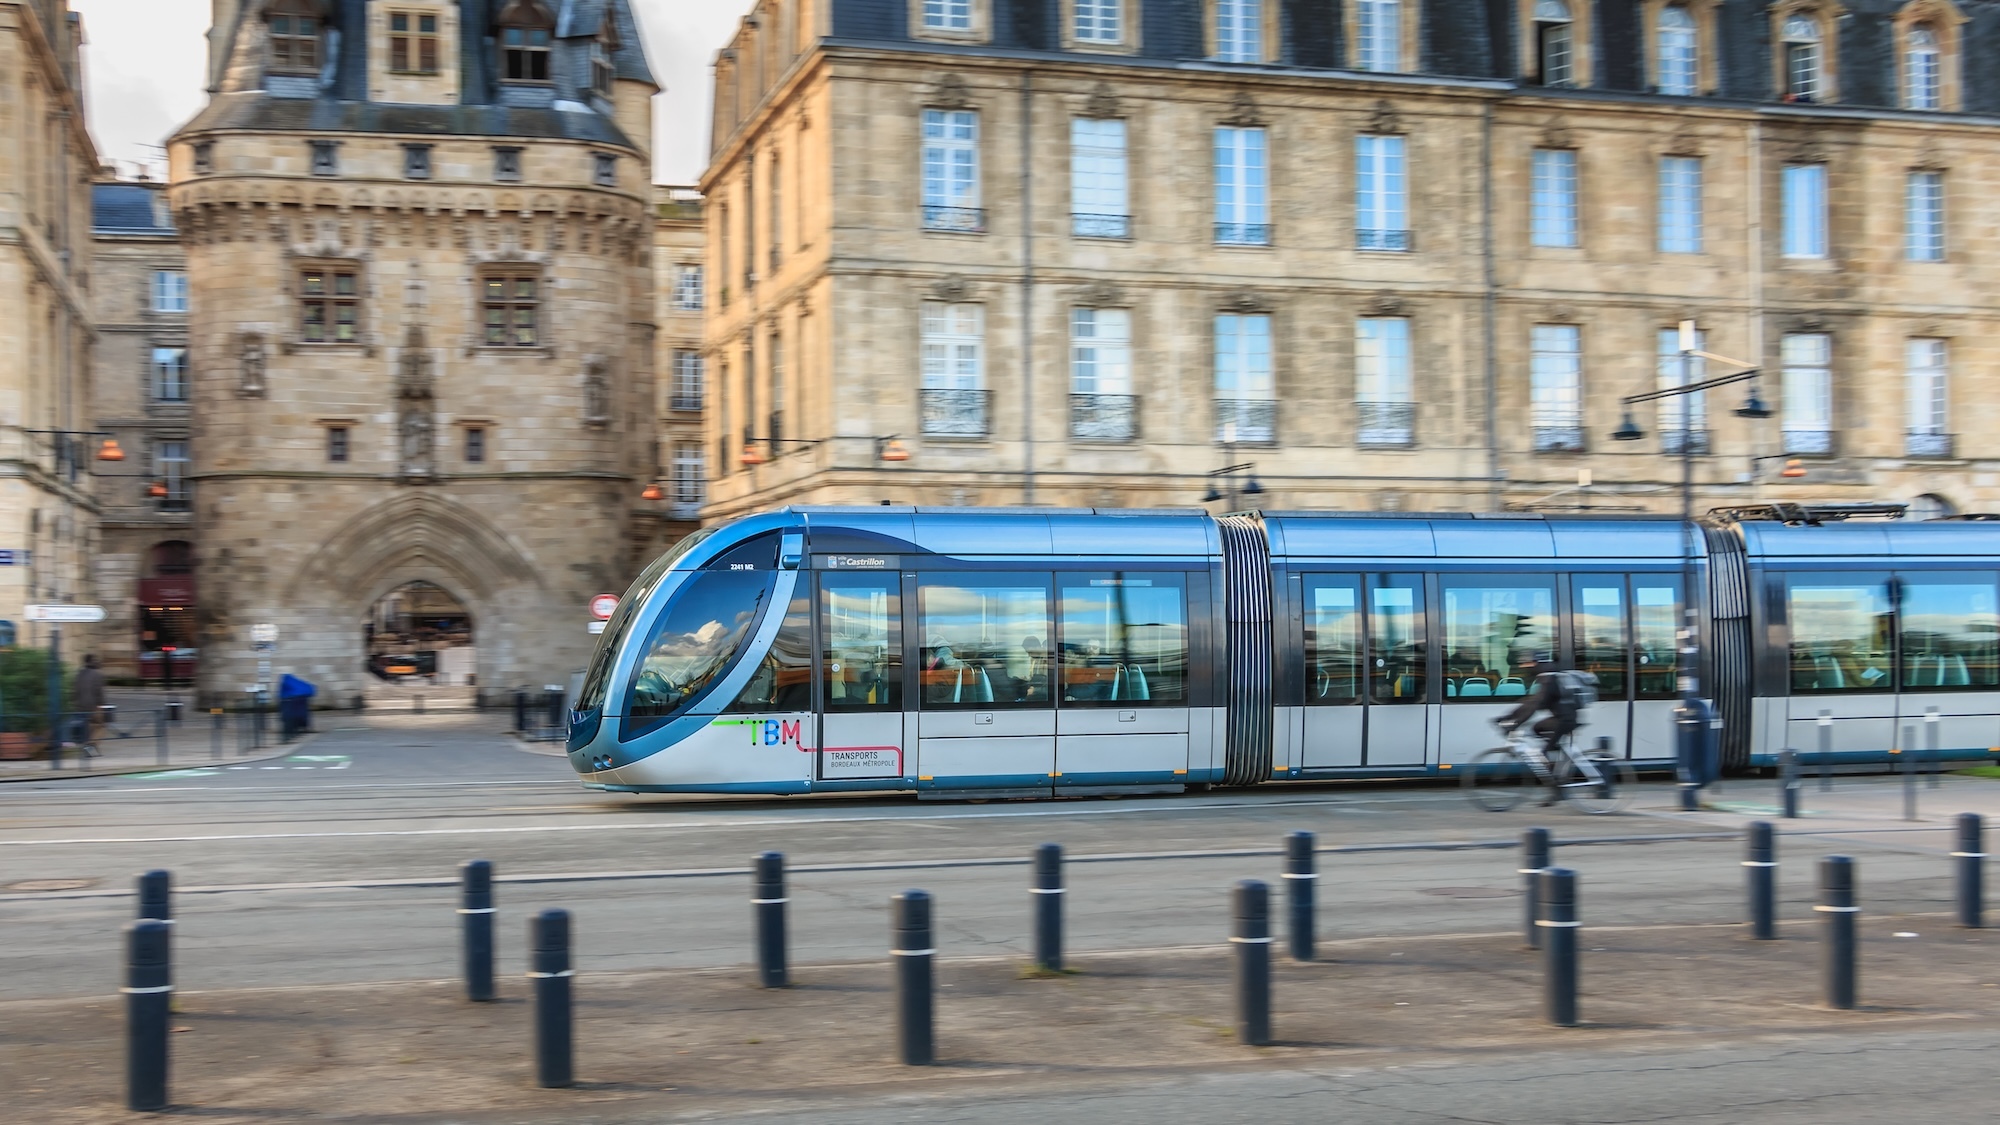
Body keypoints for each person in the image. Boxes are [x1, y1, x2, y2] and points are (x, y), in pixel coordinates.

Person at [1495, 652, 1590, 803]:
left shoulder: (1550, 680)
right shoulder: (1548, 678)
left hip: (1565, 721)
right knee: (1536, 729)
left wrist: (1515, 723)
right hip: (1561, 718)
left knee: (1542, 753)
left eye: (1529, 664)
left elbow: (1535, 706)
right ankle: (1555, 759)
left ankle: (1558, 790)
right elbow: (1531, 702)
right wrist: (1507, 717)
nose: (1526, 668)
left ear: (1538, 664)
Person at [72, 654, 107, 753]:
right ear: (93, 661)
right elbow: (99, 692)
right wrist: (101, 706)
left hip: (80, 706)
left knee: (87, 726)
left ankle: (87, 745)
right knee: (101, 726)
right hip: (93, 706)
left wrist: (75, 703)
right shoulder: (97, 674)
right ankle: (90, 746)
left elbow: (75, 690)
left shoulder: (79, 673)